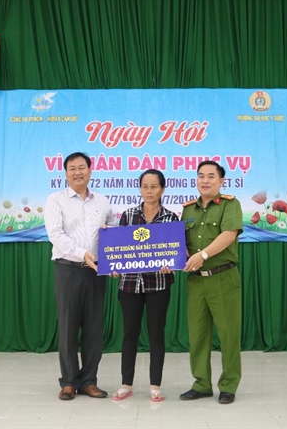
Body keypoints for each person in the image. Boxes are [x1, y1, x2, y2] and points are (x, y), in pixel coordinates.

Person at [44, 152, 116, 401]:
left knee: (94, 329)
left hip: (96, 272)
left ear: (90, 170)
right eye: (72, 168)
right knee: (68, 328)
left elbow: (113, 231)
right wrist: (82, 253)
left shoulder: (103, 201)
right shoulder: (56, 200)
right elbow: (56, 235)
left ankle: (89, 381)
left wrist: (114, 256)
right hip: (68, 270)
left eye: (82, 167)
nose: (78, 172)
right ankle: (68, 382)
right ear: (65, 173)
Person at [110, 169, 179, 403]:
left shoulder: (171, 218)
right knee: (129, 334)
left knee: (156, 334)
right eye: (145, 186)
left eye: (154, 186)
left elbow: (175, 251)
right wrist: (115, 265)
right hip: (129, 285)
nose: (149, 191)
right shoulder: (128, 216)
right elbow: (118, 248)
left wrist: (171, 263)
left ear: (162, 189)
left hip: (159, 284)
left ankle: (155, 386)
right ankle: (125, 384)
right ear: (140, 188)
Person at [179, 160, 243, 405]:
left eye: (210, 176)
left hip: (223, 278)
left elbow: (229, 235)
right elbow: (180, 242)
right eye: (201, 176)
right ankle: (201, 384)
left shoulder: (230, 204)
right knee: (198, 335)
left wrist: (203, 254)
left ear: (221, 181)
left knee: (228, 334)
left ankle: (228, 385)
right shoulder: (188, 209)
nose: (205, 180)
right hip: (196, 282)